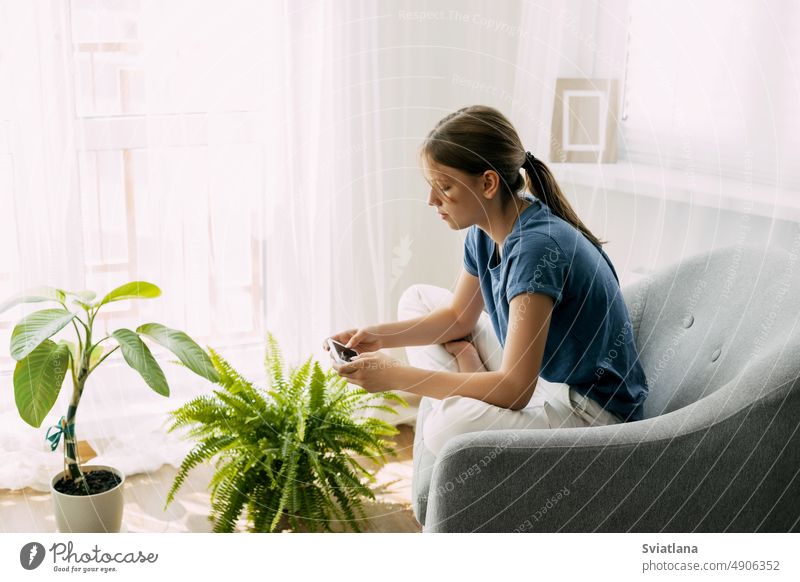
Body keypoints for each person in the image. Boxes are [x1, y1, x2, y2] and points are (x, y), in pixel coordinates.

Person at [323, 105, 648, 457]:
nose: (431, 200)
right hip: (540, 379)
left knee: (445, 430)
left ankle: (468, 381)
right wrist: (374, 336)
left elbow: (515, 390)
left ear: (488, 183)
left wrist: (398, 376)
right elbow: (458, 318)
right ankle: (470, 376)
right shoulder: (485, 231)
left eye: (444, 188)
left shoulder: (536, 250)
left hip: (590, 413)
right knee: (416, 299)